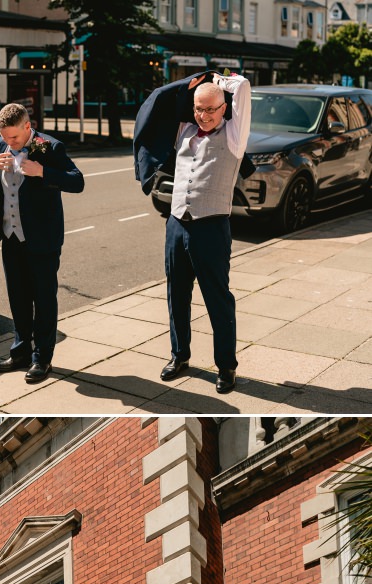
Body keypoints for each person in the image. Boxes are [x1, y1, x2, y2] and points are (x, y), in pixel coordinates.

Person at [155, 72, 251, 394]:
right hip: (176, 223)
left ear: (224, 108)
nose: (204, 115)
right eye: (199, 109)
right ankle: (179, 355)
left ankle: (226, 366)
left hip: (211, 226)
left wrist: (214, 79)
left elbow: (242, 86)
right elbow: (165, 101)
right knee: (176, 295)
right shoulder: (184, 128)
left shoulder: (234, 136)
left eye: (211, 109)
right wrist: (192, 88)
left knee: (217, 299)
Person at [0, 103, 84, 382]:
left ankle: (42, 358)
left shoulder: (50, 147)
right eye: (4, 137)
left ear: (28, 126)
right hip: (10, 237)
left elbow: (77, 182)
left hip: (42, 240)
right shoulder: (0, 143)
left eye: (14, 137)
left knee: (44, 300)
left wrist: (42, 172)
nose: (9, 142)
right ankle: (20, 352)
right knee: (18, 298)